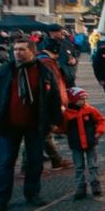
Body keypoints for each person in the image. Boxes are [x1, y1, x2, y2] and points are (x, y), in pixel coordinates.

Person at [0, 37, 62, 211]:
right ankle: (1, 199)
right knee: (6, 163)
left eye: (22, 49)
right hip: (9, 125)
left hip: (34, 125)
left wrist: (53, 120)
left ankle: (32, 194)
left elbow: (54, 97)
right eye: (15, 49)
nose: (17, 53)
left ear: (32, 51)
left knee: (35, 162)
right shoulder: (6, 70)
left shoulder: (43, 70)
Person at [28, 38, 73, 171]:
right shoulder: (47, 63)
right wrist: (59, 102)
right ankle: (30, 165)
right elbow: (55, 85)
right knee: (39, 133)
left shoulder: (41, 60)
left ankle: (55, 160)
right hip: (44, 103)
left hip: (41, 103)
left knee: (43, 133)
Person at [59, 87, 105, 200]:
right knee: (79, 166)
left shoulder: (90, 110)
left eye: (85, 99)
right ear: (73, 100)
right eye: (81, 99)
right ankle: (80, 186)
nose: (84, 101)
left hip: (90, 143)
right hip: (76, 144)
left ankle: (95, 184)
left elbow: (101, 120)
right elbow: (63, 128)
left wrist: (99, 132)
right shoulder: (67, 114)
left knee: (93, 165)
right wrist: (54, 129)